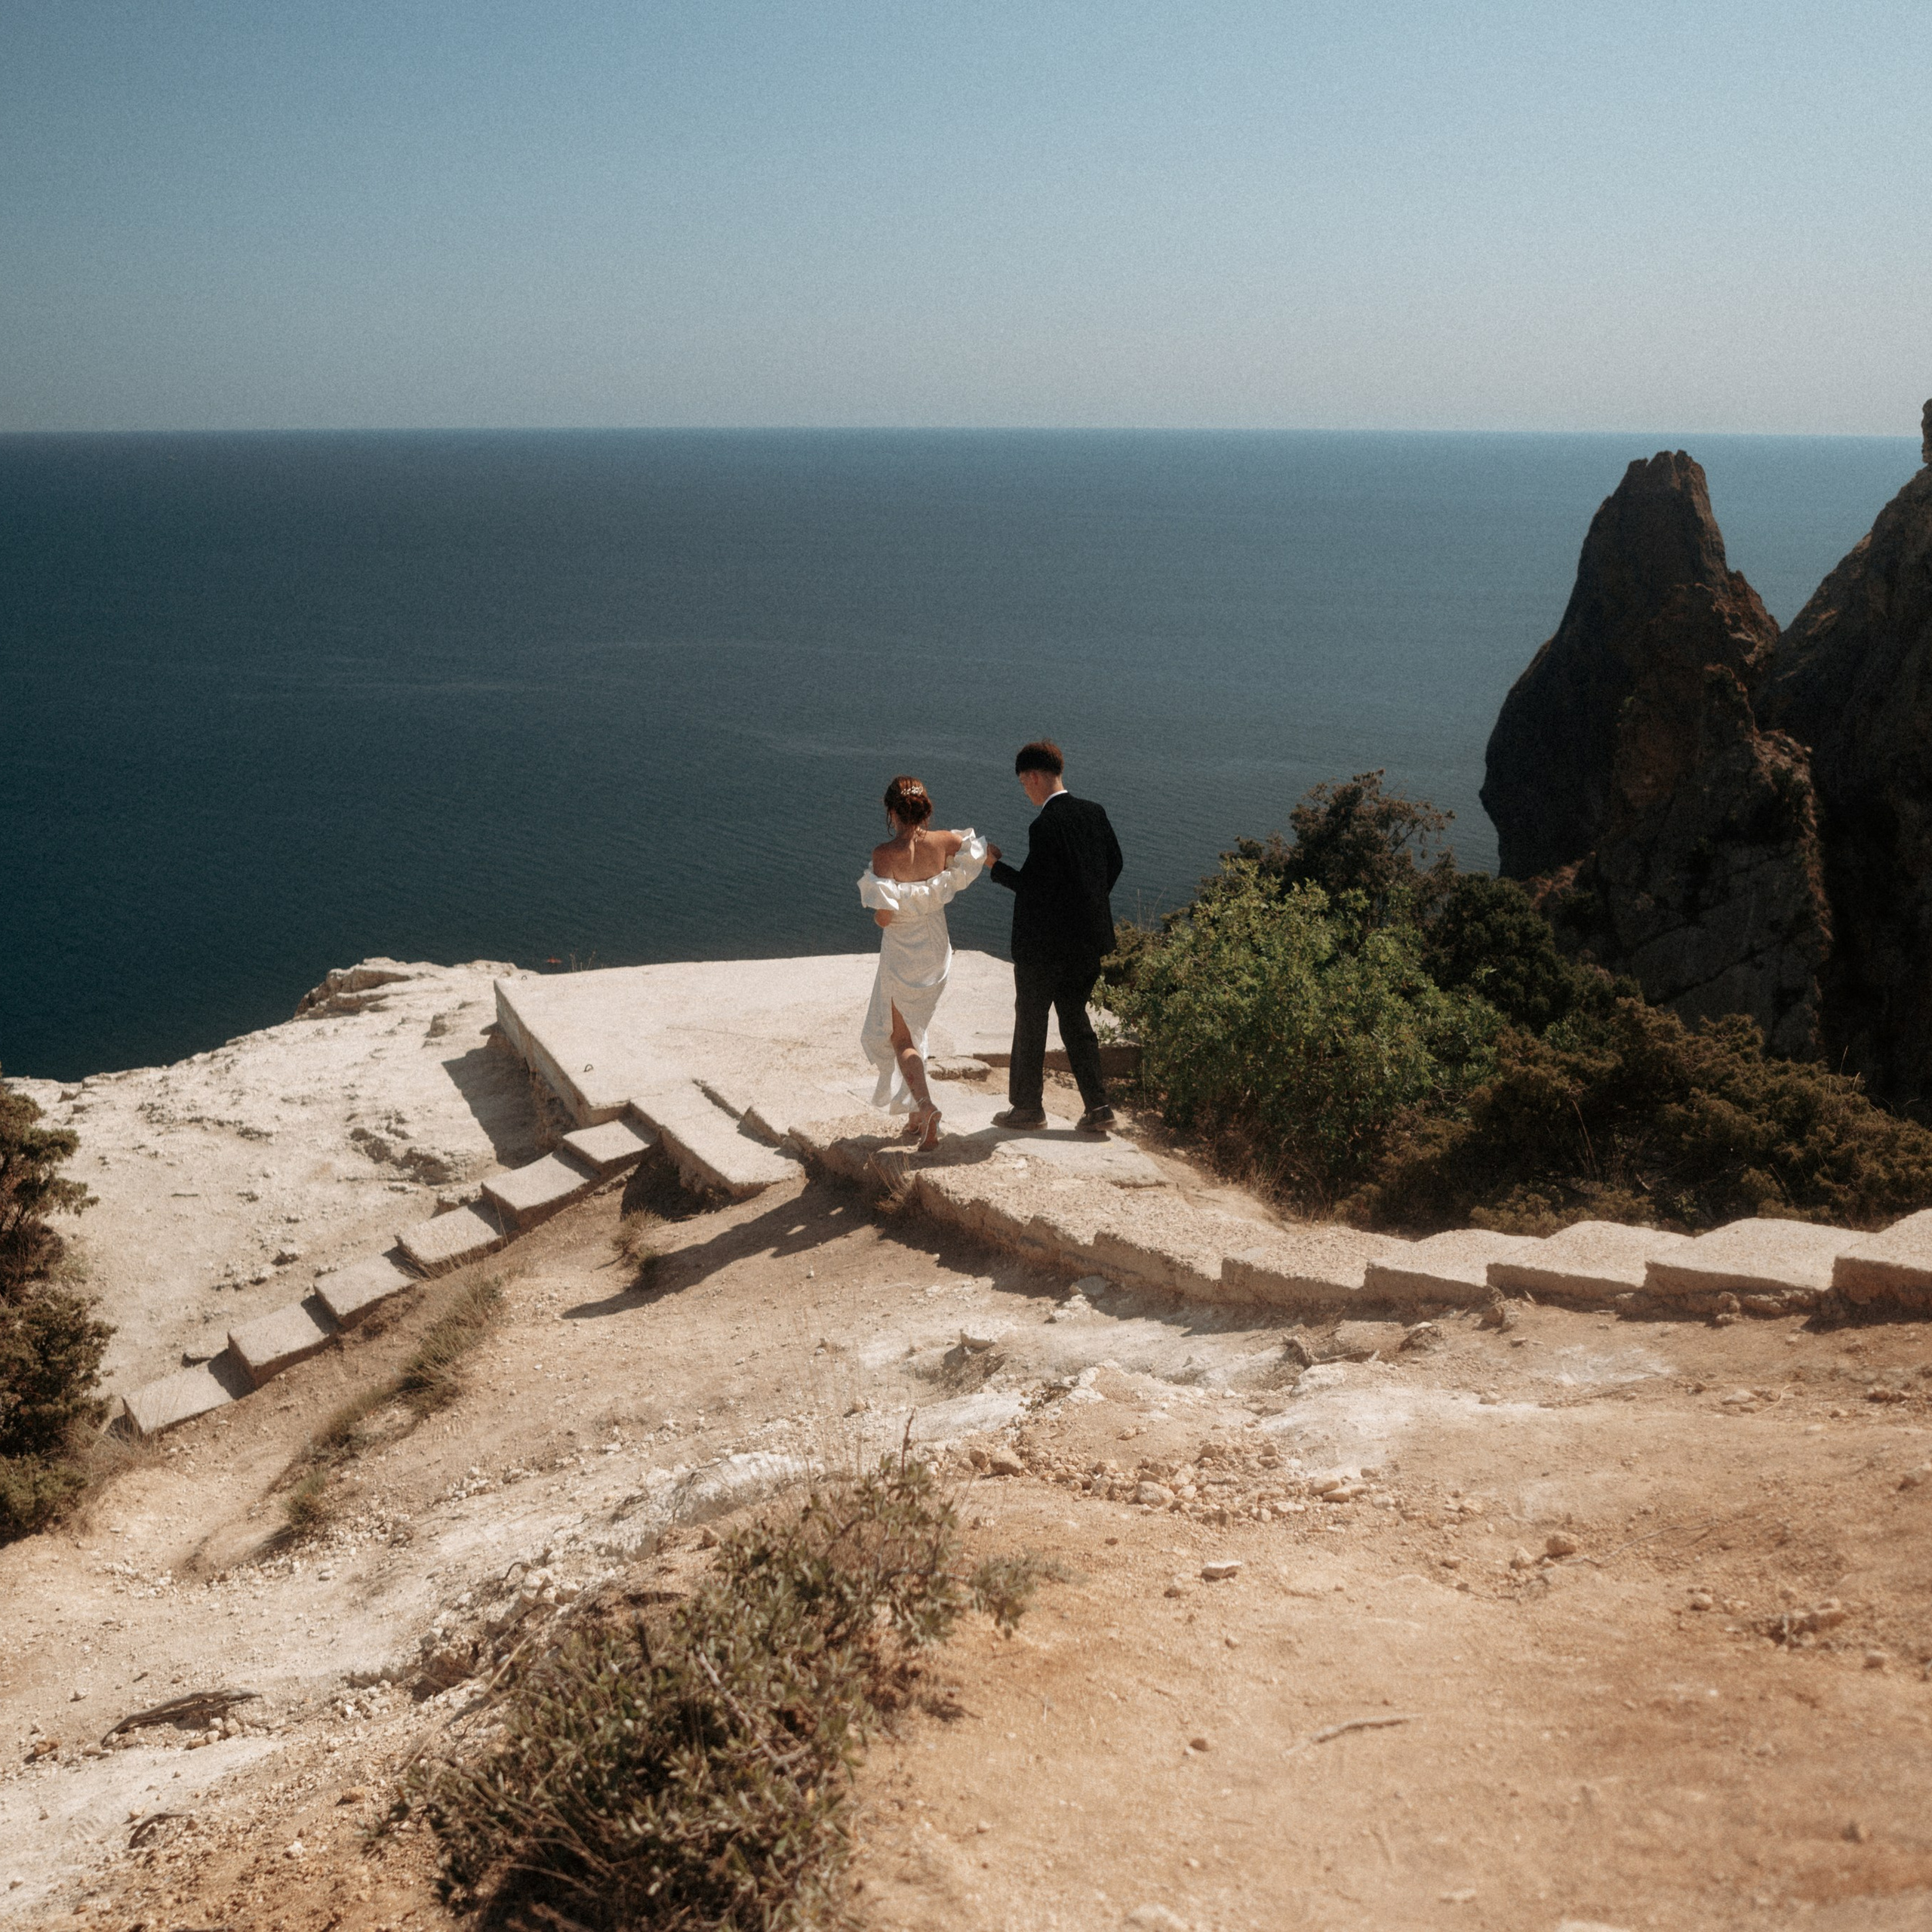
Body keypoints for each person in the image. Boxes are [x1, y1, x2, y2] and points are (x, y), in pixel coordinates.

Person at [983, 740, 1123, 1134]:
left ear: (1033, 777)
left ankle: (1028, 1108)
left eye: (1024, 784)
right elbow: (1115, 863)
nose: (1025, 792)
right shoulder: (1094, 813)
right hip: (1087, 943)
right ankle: (1099, 1106)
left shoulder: (1045, 825)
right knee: (1076, 1019)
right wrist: (1087, 904)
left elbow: (1033, 888)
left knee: (1031, 1022)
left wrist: (994, 865)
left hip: (1044, 949)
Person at [857, 775, 987, 1152]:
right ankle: (915, 1113)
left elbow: (884, 917)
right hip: (937, 949)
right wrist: (991, 853)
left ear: (891, 811)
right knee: (917, 1027)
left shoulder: (884, 855)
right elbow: (977, 850)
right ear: (924, 808)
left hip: (902, 952)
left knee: (900, 1038)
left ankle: (927, 1107)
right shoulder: (945, 840)